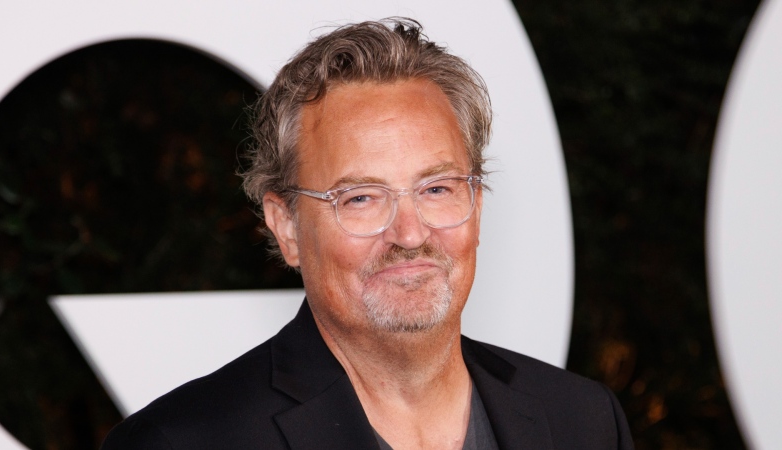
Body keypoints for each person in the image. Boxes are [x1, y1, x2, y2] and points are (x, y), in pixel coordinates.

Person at [101, 18, 634, 450]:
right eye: (360, 199)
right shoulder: (183, 443)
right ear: (286, 226)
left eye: (437, 188)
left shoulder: (582, 422)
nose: (409, 233)